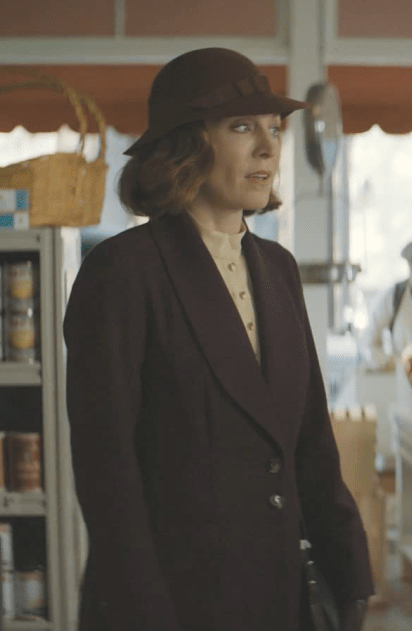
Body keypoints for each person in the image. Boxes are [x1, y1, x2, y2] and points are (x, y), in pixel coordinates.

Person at [64, 47, 372, 631]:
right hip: (172, 603)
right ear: (186, 144)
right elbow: (108, 476)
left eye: (274, 128)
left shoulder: (278, 268)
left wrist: (351, 574)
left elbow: (310, 440)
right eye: (242, 128)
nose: (269, 147)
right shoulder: (124, 271)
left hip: (278, 597)